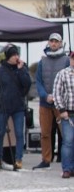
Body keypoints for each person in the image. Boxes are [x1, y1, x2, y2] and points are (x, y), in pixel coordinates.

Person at [0, 45, 32, 170]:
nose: (16, 57)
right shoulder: (0, 71)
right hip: (2, 106)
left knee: (19, 133)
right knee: (0, 132)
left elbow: (27, 84)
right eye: (14, 55)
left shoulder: (22, 68)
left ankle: (19, 159)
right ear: (8, 57)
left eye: (17, 55)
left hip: (18, 106)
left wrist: (21, 70)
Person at [34, 33, 67, 169]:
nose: (53, 44)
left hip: (61, 103)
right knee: (45, 132)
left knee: (65, 134)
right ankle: (46, 159)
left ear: (60, 43)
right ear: (48, 43)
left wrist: (57, 96)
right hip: (45, 102)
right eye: (51, 41)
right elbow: (38, 81)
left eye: (56, 41)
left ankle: (67, 159)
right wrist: (44, 95)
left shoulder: (65, 60)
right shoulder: (43, 61)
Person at [52, 51, 74, 178]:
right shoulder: (62, 74)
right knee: (68, 141)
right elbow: (57, 93)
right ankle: (67, 168)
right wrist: (61, 110)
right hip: (67, 114)